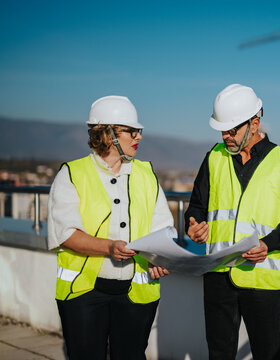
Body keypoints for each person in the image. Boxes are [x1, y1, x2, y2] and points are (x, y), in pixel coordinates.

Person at [47, 95, 173, 360]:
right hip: (84, 293)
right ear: (107, 133)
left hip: (136, 292)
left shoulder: (147, 173)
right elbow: (66, 234)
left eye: (139, 131)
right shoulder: (72, 174)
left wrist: (159, 256)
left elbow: (163, 228)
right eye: (131, 131)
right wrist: (109, 247)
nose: (138, 136)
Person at [185, 84, 280, 360]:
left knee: (267, 354)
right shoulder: (214, 158)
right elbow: (196, 206)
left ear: (254, 123)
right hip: (218, 275)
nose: (225, 136)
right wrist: (193, 224)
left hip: (261, 277)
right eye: (222, 130)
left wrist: (268, 244)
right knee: (219, 353)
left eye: (231, 130)